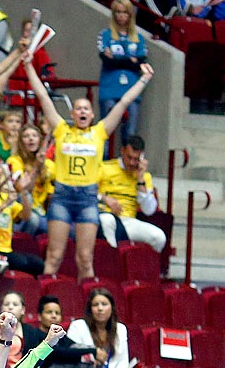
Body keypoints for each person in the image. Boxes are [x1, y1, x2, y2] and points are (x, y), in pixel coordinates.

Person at [24, 58, 152, 278]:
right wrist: (27, 66)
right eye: (78, 109)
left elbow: (122, 104)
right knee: (54, 256)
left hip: (87, 199)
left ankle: (88, 306)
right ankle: (44, 303)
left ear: (92, 114)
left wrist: (144, 80)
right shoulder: (61, 129)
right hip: (63, 197)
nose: (82, 112)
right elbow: (43, 97)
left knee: (84, 259)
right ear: (72, 114)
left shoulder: (99, 132)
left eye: (86, 109)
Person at [98, 0, 148, 139]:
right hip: (109, 88)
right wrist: (129, 59)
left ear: (130, 14)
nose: (121, 16)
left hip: (131, 89)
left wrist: (117, 59)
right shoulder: (105, 35)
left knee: (130, 134)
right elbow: (107, 61)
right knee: (105, 133)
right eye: (118, 12)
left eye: (125, 12)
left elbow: (140, 62)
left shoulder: (138, 38)